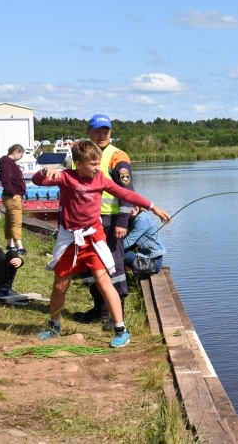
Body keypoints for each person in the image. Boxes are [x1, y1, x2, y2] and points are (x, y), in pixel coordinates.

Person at [31, 139, 170, 348]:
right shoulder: (66, 177)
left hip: (93, 239)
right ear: (79, 164)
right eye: (93, 164)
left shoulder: (101, 180)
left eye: (99, 163)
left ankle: (121, 330)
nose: (98, 168)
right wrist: (43, 172)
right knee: (60, 286)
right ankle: (54, 325)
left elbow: (126, 193)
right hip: (70, 240)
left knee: (105, 282)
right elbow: (37, 182)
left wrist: (153, 207)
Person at [72, 113, 135, 326]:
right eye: (97, 131)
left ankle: (117, 314)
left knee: (114, 267)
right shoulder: (81, 154)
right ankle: (99, 309)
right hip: (84, 223)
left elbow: (127, 192)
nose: (101, 135)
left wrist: (122, 222)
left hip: (110, 222)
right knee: (88, 267)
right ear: (88, 131)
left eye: (105, 131)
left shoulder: (118, 156)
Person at [0, 144, 27, 256]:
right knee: (16, 221)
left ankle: (10, 244)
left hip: (10, 196)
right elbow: (5, 179)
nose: (21, 157)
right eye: (21, 154)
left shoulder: (8, 162)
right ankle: (20, 246)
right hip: (12, 196)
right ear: (16, 151)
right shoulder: (8, 162)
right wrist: (13, 193)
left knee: (10, 221)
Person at [123, 206, 166, 276]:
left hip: (153, 263)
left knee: (118, 253)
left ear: (139, 205)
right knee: (118, 251)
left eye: (134, 206)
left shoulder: (142, 219)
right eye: (128, 207)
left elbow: (128, 242)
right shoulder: (133, 218)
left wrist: (108, 249)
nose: (132, 209)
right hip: (146, 258)